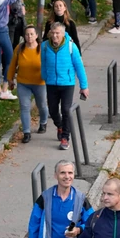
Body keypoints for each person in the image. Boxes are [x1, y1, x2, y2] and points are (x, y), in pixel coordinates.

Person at [27, 160, 94, 238]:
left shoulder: (81, 199)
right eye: (63, 173)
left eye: (70, 173)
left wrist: (78, 230)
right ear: (55, 175)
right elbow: (34, 225)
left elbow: (92, 222)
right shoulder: (45, 198)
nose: (67, 176)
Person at [41, 22, 89, 151]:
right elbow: (43, 63)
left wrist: (84, 86)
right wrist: (45, 77)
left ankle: (65, 138)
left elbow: (79, 67)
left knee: (66, 110)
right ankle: (60, 126)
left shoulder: (71, 47)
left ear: (63, 34)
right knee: (52, 110)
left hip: (67, 83)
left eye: (57, 33)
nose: (55, 35)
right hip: (51, 83)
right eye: (53, 33)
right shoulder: (44, 46)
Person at [9, 25, 48, 143]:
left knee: (42, 105)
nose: (29, 36)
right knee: (24, 107)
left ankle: (43, 122)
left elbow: (49, 63)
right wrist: (10, 79)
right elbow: (13, 64)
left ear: (36, 35)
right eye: (27, 34)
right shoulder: (19, 48)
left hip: (39, 82)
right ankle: (26, 132)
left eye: (31, 34)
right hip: (23, 83)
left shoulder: (43, 48)